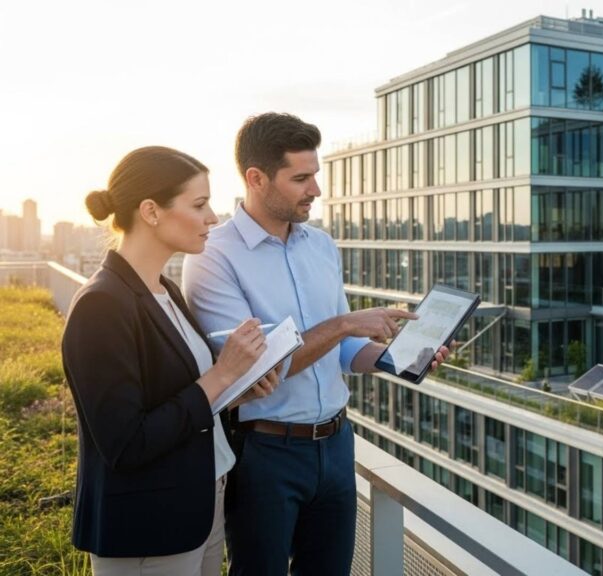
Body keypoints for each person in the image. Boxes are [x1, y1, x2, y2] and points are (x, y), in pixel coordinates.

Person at [182, 113, 448, 575]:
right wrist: (344, 324)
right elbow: (252, 371)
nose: (316, 190)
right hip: (263, 454)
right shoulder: (214, 256)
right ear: (256, 178)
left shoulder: (322, 246)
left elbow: (341, 351)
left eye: (315, 175)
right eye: (301, 178)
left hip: (337, 445)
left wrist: (397, 358)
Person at [62, 146, 281, 575]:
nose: (213, 218)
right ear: (151, 211)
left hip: (199, 506)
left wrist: (234, 388)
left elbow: (177, 399)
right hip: (149, 527)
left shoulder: (165, 290)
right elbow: (126, 443)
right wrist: (222, 374)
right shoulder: (102, 304)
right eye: (199, 205)